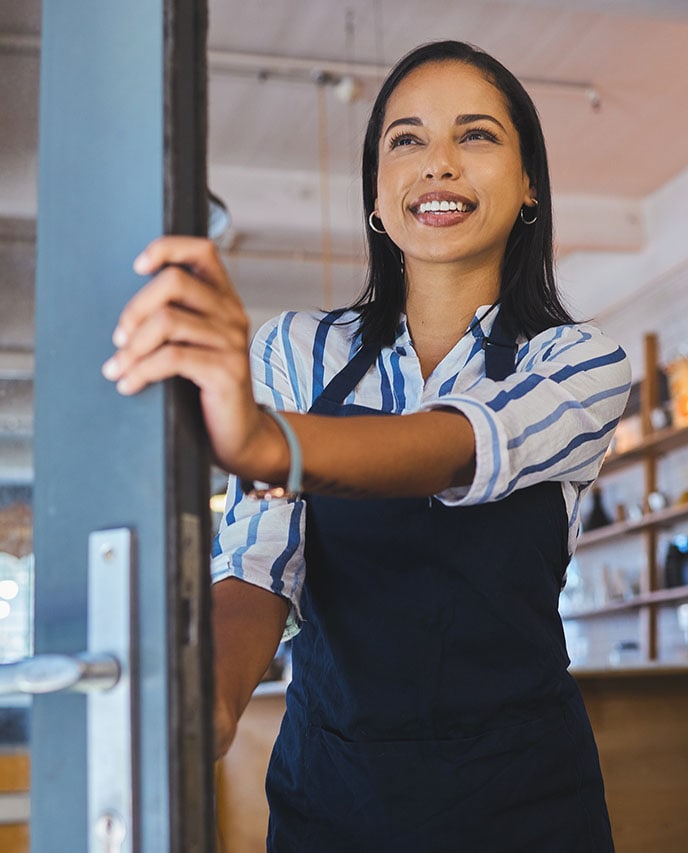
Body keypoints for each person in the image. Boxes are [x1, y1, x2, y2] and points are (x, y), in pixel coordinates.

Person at [103, 40, 630, 853]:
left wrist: (269, 441)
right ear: (377, 199)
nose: (439, 164)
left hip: (524, 801)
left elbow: (458, 445)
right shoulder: (296, 352)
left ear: (530, 187)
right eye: (406, 139)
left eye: (477, 135)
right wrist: (208, 695)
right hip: (335, 797)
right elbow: (258, 564)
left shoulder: (577, 361)